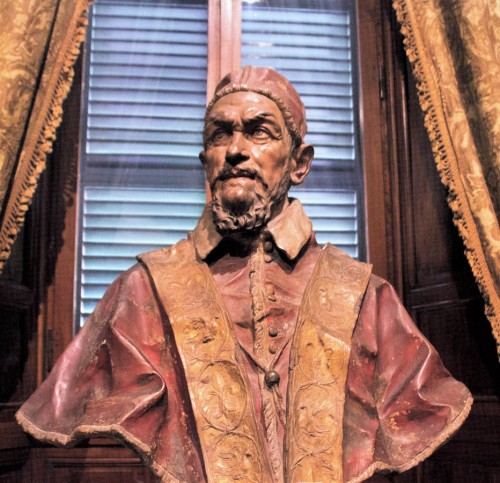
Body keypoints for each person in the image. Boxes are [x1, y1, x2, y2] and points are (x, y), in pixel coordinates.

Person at [17, 66, 472, 483]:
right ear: (205, 161)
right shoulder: (140, 293)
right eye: (220, 135)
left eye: (259, 132)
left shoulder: (366, 298)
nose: (236, 150)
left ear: (299, 163)